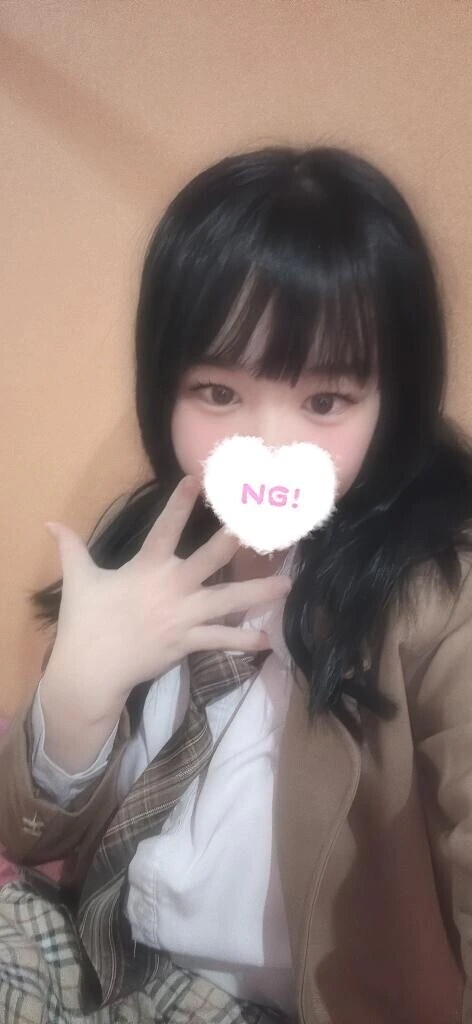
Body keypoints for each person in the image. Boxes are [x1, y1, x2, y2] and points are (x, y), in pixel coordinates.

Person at [0, 144, 471, 1024]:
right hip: (97, 948)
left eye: (325, 401)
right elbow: (33, 834)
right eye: (218, 392)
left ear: (393, 400)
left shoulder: (442, 598)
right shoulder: (147, 535)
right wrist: (73, 705)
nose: (269, 448)